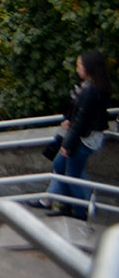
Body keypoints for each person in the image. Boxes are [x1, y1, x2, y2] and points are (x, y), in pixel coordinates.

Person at [37, 51, 112, 218]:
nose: (77, 69)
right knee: (59, 165)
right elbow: (79, 114)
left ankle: (79, 211)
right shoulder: (92, 86)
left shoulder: (91, 90)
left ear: (89, 68)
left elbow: (82, 121)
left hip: (83, 139)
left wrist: (67, 144)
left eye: (80, 66)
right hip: (85, 136)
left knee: (72, 175)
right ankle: (66, 205)